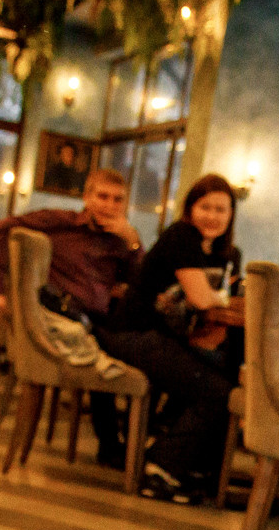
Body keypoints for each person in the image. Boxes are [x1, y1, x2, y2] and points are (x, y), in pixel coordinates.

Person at [0, 166, 145, 464]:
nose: (109, 205)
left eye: (118, 200)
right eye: (102, 196)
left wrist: (132, 243)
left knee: (142, 347)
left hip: (98, 318)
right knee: (116, 348)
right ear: (86, 197)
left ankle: (136, 444)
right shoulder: (59, 222)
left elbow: (141, 285)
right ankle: (112, 445)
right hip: (62, 316)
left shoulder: (122, 239)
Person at [98, 173, 243, 504]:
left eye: (221, 209)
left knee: (225, 378)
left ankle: (195, 469)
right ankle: (159, 469)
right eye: (205, 207)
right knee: (219, 392)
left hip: (170, 339)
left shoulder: (226, 254)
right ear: (190, 209)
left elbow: (212, 312)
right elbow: (202, 298)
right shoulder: (181, 236)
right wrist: (214, 300)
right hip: (133, 334)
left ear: (231, 214)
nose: (213, 215)